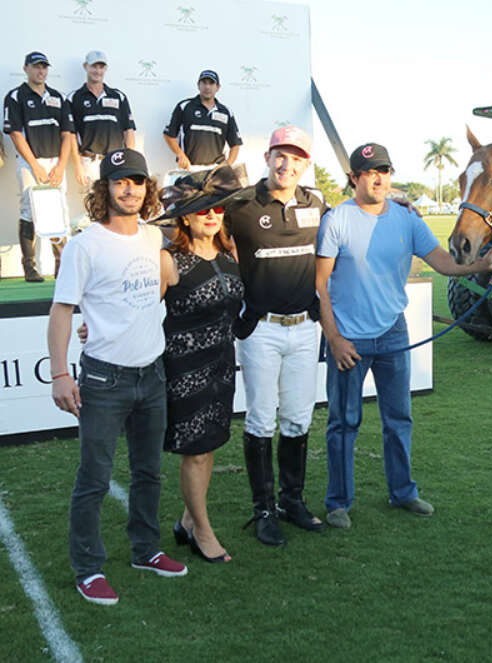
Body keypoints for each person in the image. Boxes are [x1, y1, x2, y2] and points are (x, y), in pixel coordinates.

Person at [315, 142, 492, 529]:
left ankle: (402, 492)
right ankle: (338, 502)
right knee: (343, 422)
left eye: (383, 171)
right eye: (369, 172)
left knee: (399, 418)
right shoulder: (335, 220)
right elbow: (320, 286)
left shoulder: (408, 220)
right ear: (354, 178)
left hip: (392, 334)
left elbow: (441, 261)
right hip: (348, 339)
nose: (377, 178)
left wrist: (481, 264)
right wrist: (334, 339)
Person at [47, 148, 187, 606]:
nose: (129, 189)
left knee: (148, 472)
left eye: (137, 181)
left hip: (153, 373)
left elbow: (161, 285)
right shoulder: (85, 245)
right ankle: (88, 569)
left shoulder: (152, 238)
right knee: (95, 478)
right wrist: (61, 373)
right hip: (105, 379)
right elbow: (62, 311)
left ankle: (145, 550)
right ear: (103, 189)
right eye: (119, 181)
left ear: (147, 189)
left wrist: (164, 246)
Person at [223, 126, 326, 546]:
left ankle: (291, 501)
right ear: (267, 157)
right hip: (261, 330)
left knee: (299, 418)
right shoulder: (242, 204)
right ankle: (263, 509)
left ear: (305, 164)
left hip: (305, 328)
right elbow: (209, 234)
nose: (287, 165)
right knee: (262, 419)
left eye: (296, 158)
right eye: (280, 156)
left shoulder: (316, 203)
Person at [154, 166, 245, 563]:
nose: (211, 215)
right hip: (183, 370)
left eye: (217, 209)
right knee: (195, 452)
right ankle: (203, 533)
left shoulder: (231, 255)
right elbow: (140, 311)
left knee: (208, 449)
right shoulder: (169, 260)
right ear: (184, 217)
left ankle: (187, 520)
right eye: (201, 209)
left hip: (223, 365)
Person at [3, 51, 74, 281]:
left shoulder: (58, 97)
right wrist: (35, 165)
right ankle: (29, 268)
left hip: (55, 161)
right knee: (28, 210)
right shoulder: (15, 96)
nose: (40, 71)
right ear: (26, 69)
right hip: (29, 161)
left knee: (57, 211)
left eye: (44, 67)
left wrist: (61, 165)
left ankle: (60, 265)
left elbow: (67, 134)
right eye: (36, 67)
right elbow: (15, 134)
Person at [68, 50, 136, 192]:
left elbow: (128, 130)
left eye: (101, 67)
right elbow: (71, 135)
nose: (97, 71)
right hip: (89, 162)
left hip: (116, 161)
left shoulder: (118, 96)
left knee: (115, 206)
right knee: (93, 207)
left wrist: (130, 162)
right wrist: (78, 165)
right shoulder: (74, 98)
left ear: (105, 69)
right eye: (94, 66)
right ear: (85, 66)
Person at [163, 70, 241, 172]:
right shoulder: (184, 106)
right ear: (198, 85)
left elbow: (235, 144)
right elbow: (169, 135)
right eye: (204, 83)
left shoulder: (226, 112)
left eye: (211, 83)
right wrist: (180, 154)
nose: (207, 87)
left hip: (215, 172)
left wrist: (227, 167)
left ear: (218, 87)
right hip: (189, 169)